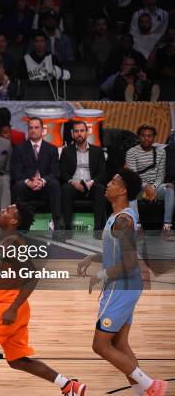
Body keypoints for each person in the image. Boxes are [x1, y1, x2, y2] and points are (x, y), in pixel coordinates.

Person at [78, 169, 168, 396]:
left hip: (122, 288)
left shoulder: (123, 221)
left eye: (113, 181)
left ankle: (150, 386)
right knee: (120, 345)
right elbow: (116, 253)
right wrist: (93, 258)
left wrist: (101, 275)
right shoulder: (118, 217)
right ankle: (142, 392)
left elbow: (129, 262)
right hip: (125, 287)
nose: (107, 183)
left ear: (123, 190)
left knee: (100, 345)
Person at [0, 203, 87, 396]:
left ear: (13, 221)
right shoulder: (9, 241)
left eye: (7, 210)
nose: (2, 210)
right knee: (17, 360)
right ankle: (68, 385)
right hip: (15, 305)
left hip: (8, 305)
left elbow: (32, 276)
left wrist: (12, 308)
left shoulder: (12, 243)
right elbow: (3, 274)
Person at [11, 117, 64, 234]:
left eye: (36, 127)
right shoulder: (19, 149)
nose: (33, 130)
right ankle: (20, 227)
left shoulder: (52, 149)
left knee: (54, 184)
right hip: (27, 186)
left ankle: (58, 224)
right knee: (18, 185)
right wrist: (28, 182)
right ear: (27, 130)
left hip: (45, 187)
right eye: (30, 128)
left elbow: (56, 173)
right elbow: (16, 172)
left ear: (42, 130)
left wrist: (43, 181)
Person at [60, 121, 107, 238]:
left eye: (82, 131)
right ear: (72, 134)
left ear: (87, 133)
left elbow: (102, 173)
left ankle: (98, 229)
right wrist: (72, 182)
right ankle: (67, 229)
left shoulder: (98, 151)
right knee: (65, 189)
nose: (79, 134)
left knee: (100, 189)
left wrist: (92, 182)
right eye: (76, 131)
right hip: (74, 185)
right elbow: (62, 172)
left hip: (91, 185)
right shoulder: (66, 151)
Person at [126, 125, 173, 238]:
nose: (146, 138)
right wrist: (146, 187)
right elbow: (133, 176)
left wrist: (153, 188)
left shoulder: (161, 152)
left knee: (170, 187)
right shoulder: (131, 152)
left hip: (155, 187)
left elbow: (161, 175)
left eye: (149, 136)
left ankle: (167, 226)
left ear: (154, 137)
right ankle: (137, 226)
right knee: (130, 191)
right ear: (139, 137)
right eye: (143, 136)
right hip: (138, 188)